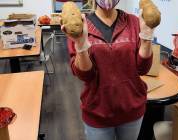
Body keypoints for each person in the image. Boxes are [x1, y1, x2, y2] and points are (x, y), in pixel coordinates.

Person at [62, 0, 155, 139]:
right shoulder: (80, 25)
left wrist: (147, 38)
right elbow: (86, 76)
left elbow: (142, 68)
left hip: (132, 109)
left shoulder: (134, 22)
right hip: (97, 113)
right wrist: (81, 45)